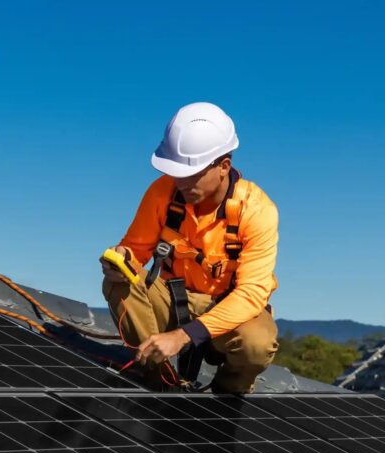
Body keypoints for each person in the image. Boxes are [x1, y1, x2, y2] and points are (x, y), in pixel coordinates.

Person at [101, 102, 280, 393]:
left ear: (223, 167)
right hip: (173, 300)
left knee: (256, 344)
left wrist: (184, 335)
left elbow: (250, 294)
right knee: (120, 283)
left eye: (191, 173)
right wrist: (123, 259)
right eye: (177, 172)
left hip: (229, 310)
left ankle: (227, 396)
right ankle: (159, 380)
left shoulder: (257, 210)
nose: (181, 181)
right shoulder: (162, 192)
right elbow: (136, 249)